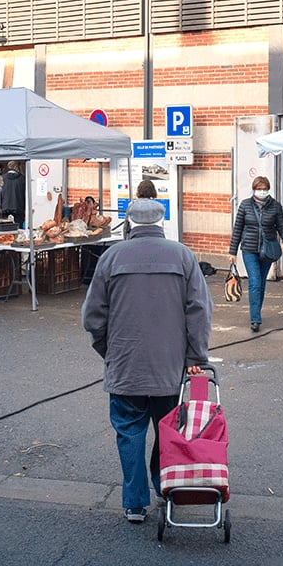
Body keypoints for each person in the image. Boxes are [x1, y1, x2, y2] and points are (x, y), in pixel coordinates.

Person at [81, 197, 211, 524]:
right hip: (170, 365)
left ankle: (134, 503)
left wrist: (108, 350)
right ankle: (164, 485)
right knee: (169, 430)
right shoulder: (182, 256)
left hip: (125, 364)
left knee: (129, 431)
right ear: (161, 221)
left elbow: (93, 317)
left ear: (129, 223)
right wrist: (195, 355)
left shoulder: (111, 257)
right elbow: (199, 311)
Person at [227, 175, 283, 333]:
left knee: (261, 283)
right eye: (259, 189)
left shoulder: (275, 206)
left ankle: (257, 311)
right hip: (249, 249)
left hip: (267, 251)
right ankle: (255, 319)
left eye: (264, 189)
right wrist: (232, 251)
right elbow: (237, 229)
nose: (262, 192)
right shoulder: (245, 205)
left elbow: (282, 226)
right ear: (254, 189)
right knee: (254, 282)